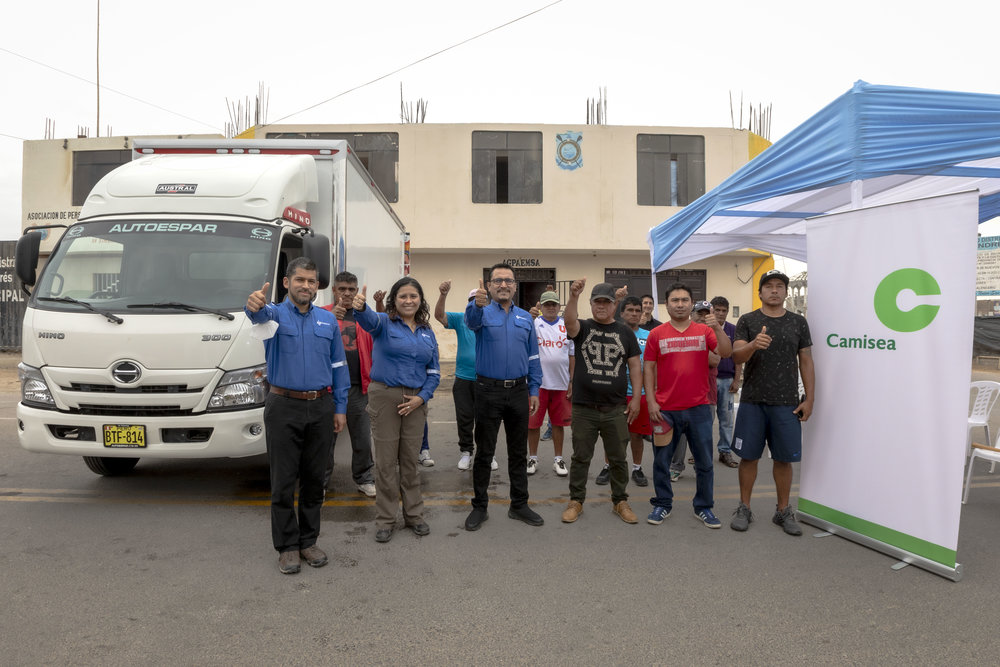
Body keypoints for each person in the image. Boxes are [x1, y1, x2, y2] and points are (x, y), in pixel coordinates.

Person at [244, 257, 349, 575]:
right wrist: (254, 304)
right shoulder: (274, 314)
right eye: (300, 280)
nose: (307, 285)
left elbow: (338, 367)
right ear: (287, 283)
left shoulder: (327, 321)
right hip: (283, 406)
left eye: (312, 281)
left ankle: (309, 541)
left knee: (315, 480)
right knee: (283, 482)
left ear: (318, 286)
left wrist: (340, 408)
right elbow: (257, 314)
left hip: (320, 407)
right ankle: (288, 547)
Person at [353, 277, 441, 543]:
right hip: (385, 396)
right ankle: (386, 519)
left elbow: (434, 371)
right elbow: (368, 320)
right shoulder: (383, 323)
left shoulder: (427, 331)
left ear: (420, 300)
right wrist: (360, 307)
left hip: (416, 400)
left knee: (410, 461)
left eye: (413, 296)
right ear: (394, 300)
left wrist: (421, 398)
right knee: (386, 462)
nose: (408, 301)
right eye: (403, 296)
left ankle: (414, 515)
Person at [729, 269, 814, 536]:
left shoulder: (798, 322)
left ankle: (783, 510)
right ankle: (744, 507)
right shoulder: (748, 320)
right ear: (760, 292)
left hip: (785, 403)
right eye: (769, 286)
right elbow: (736, 356)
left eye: (779, 286)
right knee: (748, 457)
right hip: (753, 401)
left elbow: (806, 361)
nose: (774, 290)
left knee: (783, 459)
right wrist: (754, 344)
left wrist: (809, 399)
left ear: (786, 292)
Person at [643, 283, 732, 529]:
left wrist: (717, 329)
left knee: (704, 462)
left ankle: (703, 507)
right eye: (674, 300)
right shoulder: (656, 334)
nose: (680, 304)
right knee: (662, 461)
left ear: (690, 304)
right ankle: (662, 503)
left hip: (700, 409)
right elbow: (648, 368)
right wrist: (651, 401)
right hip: (665, 411)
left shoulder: (705, 331)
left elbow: (725, 352)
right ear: (667, 304)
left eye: (684, 300)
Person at [463, 263, 544, 531]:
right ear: (488, 286)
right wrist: (476, 305)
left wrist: (534, 390)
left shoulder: (525, 318)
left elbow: (534, 356)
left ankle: (519, 505)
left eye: (508, 281)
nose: (503, 285)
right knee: (485, 452)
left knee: (518, 452)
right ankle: (479, 507)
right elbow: (471, 322)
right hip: (488, 391)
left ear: (515, 285)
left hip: (519, 391)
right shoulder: (481, 312)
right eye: (497, 280)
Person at [560, 279, 642, 525]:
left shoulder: (625, 332)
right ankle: (576, 501)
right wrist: (573, 295)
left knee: (618, 457)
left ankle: (620, 501)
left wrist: (636, 398)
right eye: (598, 302)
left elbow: (635, 367)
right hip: (584, 408)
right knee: (580, 457)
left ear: (614, 305)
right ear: (592, 304)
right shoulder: (582, 328)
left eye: (607, 302)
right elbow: (568, 321)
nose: (602, 306)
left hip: (615, 408)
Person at [321, 272, 376, 498]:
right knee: (324, 440)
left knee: (362, 438)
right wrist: (330, 320)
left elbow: (379, 337)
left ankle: (364, 478)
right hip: (327, 390)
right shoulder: (322, 314)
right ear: (334, 290)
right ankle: (320, 483)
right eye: (342, 289)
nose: (346, 293)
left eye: (351, 289)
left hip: (357, 388)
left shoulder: (364, 317)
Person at [434, 281, 498, 472]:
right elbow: (439, 316)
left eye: (480, 300)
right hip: (464, 379)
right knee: (465, 417)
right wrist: (443, 294)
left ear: (487, 303)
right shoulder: (461, 319)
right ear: (468, 303)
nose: (476, 303)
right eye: (472, 300)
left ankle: (488, 453)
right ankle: (466, 452)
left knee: (486, 419)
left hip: (488, 379)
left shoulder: (494, 320)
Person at [595, 295, 650, 487]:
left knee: (636, 435)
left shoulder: (648, 336)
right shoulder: (613, 333)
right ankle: (608, 466)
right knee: (613, 434)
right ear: (622, 313)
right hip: (615, 394)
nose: (634, 314)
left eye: (638, 310)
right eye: (630, 310)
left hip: (640, 394)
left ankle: (637, 467)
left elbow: (652, 366)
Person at [669, 301, 720, 478]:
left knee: (702, 438)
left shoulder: (713, 334)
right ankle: (676, 467)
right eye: (699, 313)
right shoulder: (681, 332)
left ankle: (702, 469)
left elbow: (714, 360)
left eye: (707, 313)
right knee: (680, 436)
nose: (703, 317)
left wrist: (688, 349)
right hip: (681, 394)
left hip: (706, 396)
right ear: (692, 315)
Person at [527, 290, 574, 477]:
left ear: (559, 306)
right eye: (547, 304)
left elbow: (572, 355)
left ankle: (558, 459)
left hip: (561, 384)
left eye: (554, 304)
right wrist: (529, 316)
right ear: (541, 306)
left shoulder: (566, 326)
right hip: (537, 385)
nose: (551, 307)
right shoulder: (534, 324)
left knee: (558, 424)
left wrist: (572, 380)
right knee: (533, 424)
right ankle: (532, 457)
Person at [710, 296, 741, 468]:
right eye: (718, 310)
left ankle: (725, 451)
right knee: (705, 419)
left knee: (727, 419)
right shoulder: (704, 328)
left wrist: (736, 380)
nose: (721, 314)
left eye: (724, 310)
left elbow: (737, 357)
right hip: (708, 381)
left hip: (726, 380)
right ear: (712, 311)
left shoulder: (733, 330)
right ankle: (701, 451)